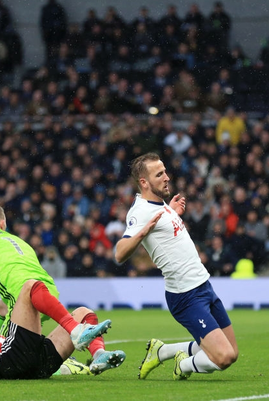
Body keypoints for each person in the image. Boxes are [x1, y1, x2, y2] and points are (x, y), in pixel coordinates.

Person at [0, 203, 125, 375]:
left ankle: (67, 355)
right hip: (48, 293)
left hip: (25, 296)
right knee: (84, 313)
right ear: (3, 224)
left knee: (1, 355)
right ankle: (98, 353)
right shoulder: (19, 242)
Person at [115, 153, 238, 380]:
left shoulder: (160, 204)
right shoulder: (140, 212)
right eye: (159, 174)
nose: (167, 177)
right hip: (185, 295)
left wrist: (172, 211)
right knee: (223, 357)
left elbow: (165, 230)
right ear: (144, 182)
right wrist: (142, 233)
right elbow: (120, 253)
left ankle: (162, 351)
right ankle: (184, 365)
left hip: (204, 285)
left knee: (232, 351)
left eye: (165, 171)